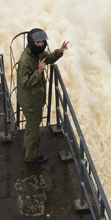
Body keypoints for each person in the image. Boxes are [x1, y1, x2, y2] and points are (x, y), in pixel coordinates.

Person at [17, 28, 69, 164]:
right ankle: (31, 156)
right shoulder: (26, 60)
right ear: (31, 42)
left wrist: (60, 51)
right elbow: (25, 83)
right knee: (33, 129)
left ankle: (27, 146)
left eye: (42, 42)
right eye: (37, 42)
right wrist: (39, 71)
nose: (41, 44)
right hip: (30, 101)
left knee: (31, 126)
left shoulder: (37, 53)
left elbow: (49, 58)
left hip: (33, 99)